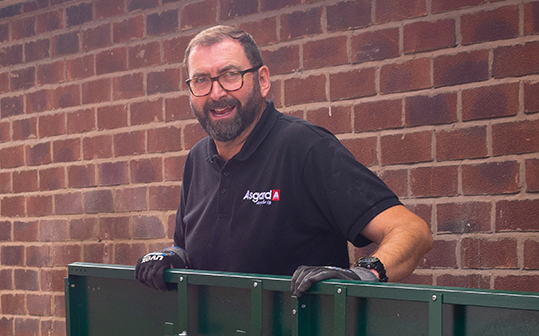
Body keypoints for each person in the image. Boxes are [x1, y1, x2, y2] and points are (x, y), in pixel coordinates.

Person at [136, 24, 433, 295]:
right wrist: (172, 256)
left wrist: (362, 275)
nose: (216, 93)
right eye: (201, 80)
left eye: (230, 75)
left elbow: (412, 231)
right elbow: (189, 249)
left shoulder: (305, 147)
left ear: (262, 80)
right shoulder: (197, 159)